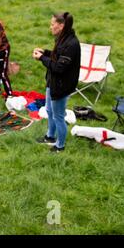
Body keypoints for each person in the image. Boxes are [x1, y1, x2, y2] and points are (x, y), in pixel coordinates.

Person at [32, 12, 80, 153]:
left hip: (61, 85)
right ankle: (50, 137)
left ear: (61, 25)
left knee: (58, 116)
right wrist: (45, 52)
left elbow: (59, 67)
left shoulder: (71, 44)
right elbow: (56, 56)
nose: (50, 27)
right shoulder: (62, 38)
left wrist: (41, 58)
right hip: (52, 82)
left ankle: (60, 146)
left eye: (52, 24)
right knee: (49, 110)